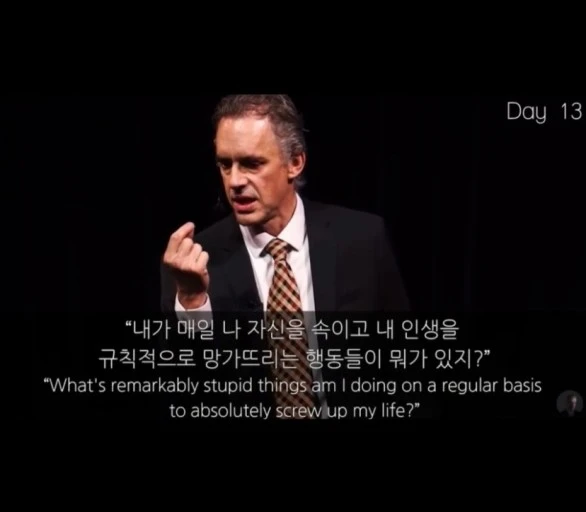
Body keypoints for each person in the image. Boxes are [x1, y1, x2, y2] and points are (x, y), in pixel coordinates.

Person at [160, 94, 409, 419]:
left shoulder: (362, 240)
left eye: (252, 164)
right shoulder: (192, 262)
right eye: (225, 164)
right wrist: (193, 302)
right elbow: (188, 389)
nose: (234, 181)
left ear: (295, 163)